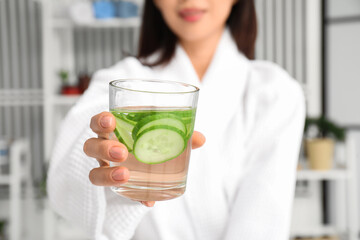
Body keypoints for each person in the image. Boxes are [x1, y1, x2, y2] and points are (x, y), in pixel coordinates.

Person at [47, 0, 305, 239]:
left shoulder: (274, 92)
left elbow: (263, 219)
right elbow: (67, 165)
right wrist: (104, 161)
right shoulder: (121, 82)